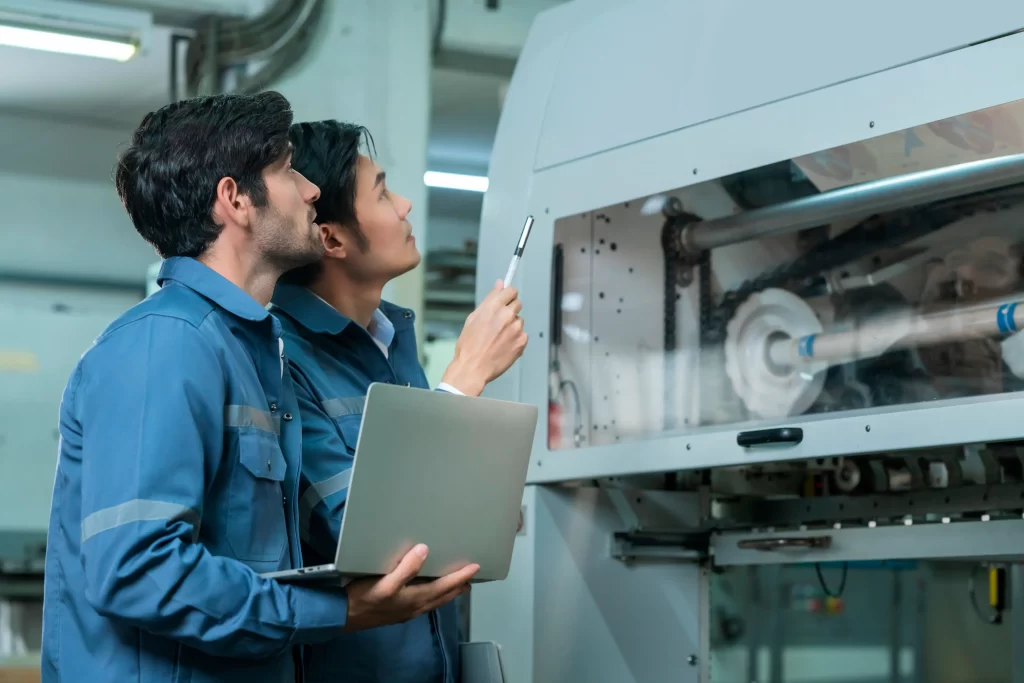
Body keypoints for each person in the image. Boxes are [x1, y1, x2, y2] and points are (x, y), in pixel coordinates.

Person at [40, 94, 479, 683]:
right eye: (287, 171)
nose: (311, 190)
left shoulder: (252, 348)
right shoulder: (165, 344)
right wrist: (333, 611)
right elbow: (138, 569)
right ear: (236, 200)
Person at [269, 120, 528, 682]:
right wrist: (464, 378)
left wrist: (482, 511)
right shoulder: (283, 358)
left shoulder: (392, 341)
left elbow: (450, 528)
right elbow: (374, 541)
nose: (406, 204)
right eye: (383, 192)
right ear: (331, 238)